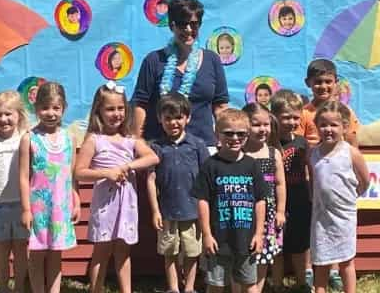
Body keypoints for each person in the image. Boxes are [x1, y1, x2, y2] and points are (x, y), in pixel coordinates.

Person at [75, 81, 159, 293]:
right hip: (105, 204)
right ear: (99, 111)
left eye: (120, 108)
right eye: (110, 109)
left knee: (123, 250)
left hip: (127, 204)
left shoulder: (130, 139)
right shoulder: (94, 139)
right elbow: (79, 172)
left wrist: (128, 165)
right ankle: (96, 289)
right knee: (102, 251)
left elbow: (153, 157)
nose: (116, 113)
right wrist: (106, 173)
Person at [132, 0, 229, 150]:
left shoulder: (212, 60)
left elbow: (220, 106)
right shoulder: (154, 60)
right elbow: (140, 105)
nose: (189, 30)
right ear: (172, 26)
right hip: (160, 147)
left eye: (194, 24)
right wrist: (137, 144)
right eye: (183, 24)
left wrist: (224, 140)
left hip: (203, 147)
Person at [296, 58, 360, 289]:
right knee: (313, 227)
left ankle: (334, 271)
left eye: (328, 82)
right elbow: (298, 145)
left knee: (336, 227)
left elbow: (353, 144)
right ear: (309, 83)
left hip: (338, 182)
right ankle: (309, 270)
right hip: (310, 177)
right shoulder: (304, 113)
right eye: (318, 82)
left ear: (336, 83)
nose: (323, 86)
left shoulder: (345, 112)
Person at [192, 109, 267, 293]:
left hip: (246, 239)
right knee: (216, 285)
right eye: (229, 133)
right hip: (218, 240)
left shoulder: (252, 165)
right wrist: (207, 235)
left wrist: (259, 234)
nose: (235, 138)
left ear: (247, 135)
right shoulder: (210, 165)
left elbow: (260, 200)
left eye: (241, 134)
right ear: (218, 134)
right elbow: (202, 201)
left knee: (250, 283)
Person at [19, 82, 80, 293]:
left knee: (56, 253)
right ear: (36, 109)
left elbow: (71, 175)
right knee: (36, 254)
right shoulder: (29, 139)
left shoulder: (69, 138)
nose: (50, 113)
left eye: (56, 108)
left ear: (63, 108)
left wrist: (76, 199)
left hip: (60, 207)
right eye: (45, 108)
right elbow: (23, 176)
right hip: (38, 209)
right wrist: (26, 209)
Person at [147, 92, 209, 293]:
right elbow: (151, 180)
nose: (173, 122)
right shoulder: (156, 147)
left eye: (178, 117)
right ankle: (173, 288)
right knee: (170, 252)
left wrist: (205, 209)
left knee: (192, 252)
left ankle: (189, 287)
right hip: (167, 211)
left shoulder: (197, 145)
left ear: (188, 118)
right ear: (160, 120)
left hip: (193, 210)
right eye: (168, 118)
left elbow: (206, 179)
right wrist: (155, 210)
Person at [309, 101, 369, 293]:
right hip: (321, 217)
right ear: (317, 127)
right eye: (323, 125)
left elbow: (365, 181)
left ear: (344, 127)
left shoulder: (351, 153)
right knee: (321, 261)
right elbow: (313, 180)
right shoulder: (313, 154)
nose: (328, 129)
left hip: (345, 217)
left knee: (346, 261)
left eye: (334, 125)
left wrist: (353, 195)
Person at [0, 91, 29, 293]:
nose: (3, 119)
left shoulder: (25, 138)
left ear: (19, 114)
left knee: (21, 249)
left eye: (8, 114)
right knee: (1, 250)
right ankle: (4, 287)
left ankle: (19, 286)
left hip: (22, 203)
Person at [242, 103, 286, 293]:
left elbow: (279, 184)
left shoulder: (273, 153)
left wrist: (281, 211)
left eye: (266, 124)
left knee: (263, 254)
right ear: (245, 126)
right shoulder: (240, 153)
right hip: (243, 211)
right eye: (256, 124)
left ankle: (257, 289)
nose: (262, 129)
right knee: (243, 252)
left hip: (268, 213)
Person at [270, 90, 311, 291]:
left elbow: (307, 171)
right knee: (276, 247)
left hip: (300, 202)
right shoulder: (269, 144)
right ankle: (277, 285)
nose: (292, 122)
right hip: (275, 202)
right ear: (274, 116)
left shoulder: (303, 143)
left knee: (299, 247)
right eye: (286, 117)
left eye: (296, 117)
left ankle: (302, 283)